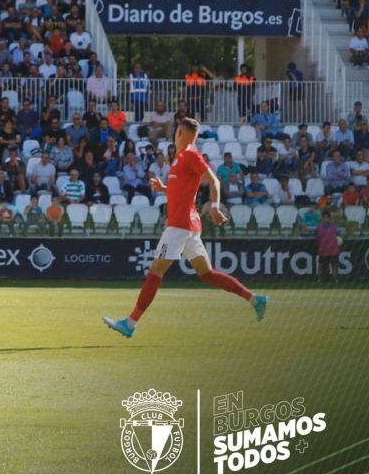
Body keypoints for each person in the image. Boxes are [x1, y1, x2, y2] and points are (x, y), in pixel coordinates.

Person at [102, 117, 269, 338]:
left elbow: (214, 180)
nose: (173, 133)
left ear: (180, 133)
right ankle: (254, 299)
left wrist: (215, 206)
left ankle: (130, 323)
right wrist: (163, 188)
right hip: (189, 225)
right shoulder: (180, 159)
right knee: (207, 274)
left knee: (155, 272)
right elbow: (181, 190)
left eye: (175, 130)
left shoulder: (190, 154)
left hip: (179, 225)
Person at [315, 211, 342, 283]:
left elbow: (339, 234)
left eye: (327, 218)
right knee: (321, 265)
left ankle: (335, 279)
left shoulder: (334, 227)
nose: (325, 219)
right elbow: (316, 236)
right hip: (323, 250)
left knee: (334, 265)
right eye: (324, 218)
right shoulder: (319, 227)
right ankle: (319, 279)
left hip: (333, 250)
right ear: (321, 218)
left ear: (329, 218)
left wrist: (340, 238)